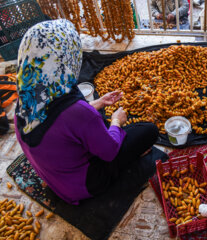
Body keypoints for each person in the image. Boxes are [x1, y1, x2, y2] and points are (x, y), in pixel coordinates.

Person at [14, 19, 159, 205]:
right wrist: (116, 122)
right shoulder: (78, 112)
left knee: (100, 123)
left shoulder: (25, 98)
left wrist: (97, 103)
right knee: (148, 131)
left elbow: (57, 123)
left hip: (55, 177)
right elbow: (110, 152)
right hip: (85, 184)